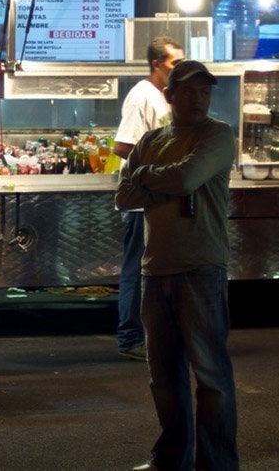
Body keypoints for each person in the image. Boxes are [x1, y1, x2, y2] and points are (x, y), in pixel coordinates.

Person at [114, 59, 239, 471]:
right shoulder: (152, 138)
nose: (198, 98)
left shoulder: (218, 135)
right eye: (188, 90)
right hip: (156, 270)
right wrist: (158, 181)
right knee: (164, 379)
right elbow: (124, 198)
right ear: (169, 95)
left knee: (211, 378)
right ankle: (171, 458)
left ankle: (217, 464)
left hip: (201, 267)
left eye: (204, 91)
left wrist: (148, 177)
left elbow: (186, 179)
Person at [113, 35, 184, 361]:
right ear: (157, 64)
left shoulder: (165, 97)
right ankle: (130, 337)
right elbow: (123, 146)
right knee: (137, 269)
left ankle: (154, 334)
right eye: (174, 64)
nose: (179, 69)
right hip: (141, 198)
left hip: (159, 197)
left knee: (156, 270)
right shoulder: (141, 96)